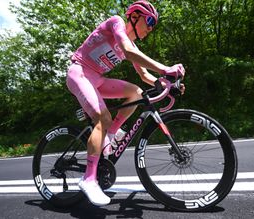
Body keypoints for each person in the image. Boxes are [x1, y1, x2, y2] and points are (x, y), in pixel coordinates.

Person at [66, 0, 185, 206]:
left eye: (153, 24)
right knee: (102, 118)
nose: (150, 28)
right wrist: (166, 68)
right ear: (135, 16)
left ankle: (110, 134)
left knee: (137, 93)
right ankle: (88, 179)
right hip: (80, 73)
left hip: (98, 78)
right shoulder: (116, 22)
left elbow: (145, 75)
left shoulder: (132, 45)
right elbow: (129, 52)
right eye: (149, 21)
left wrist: (165, 83)